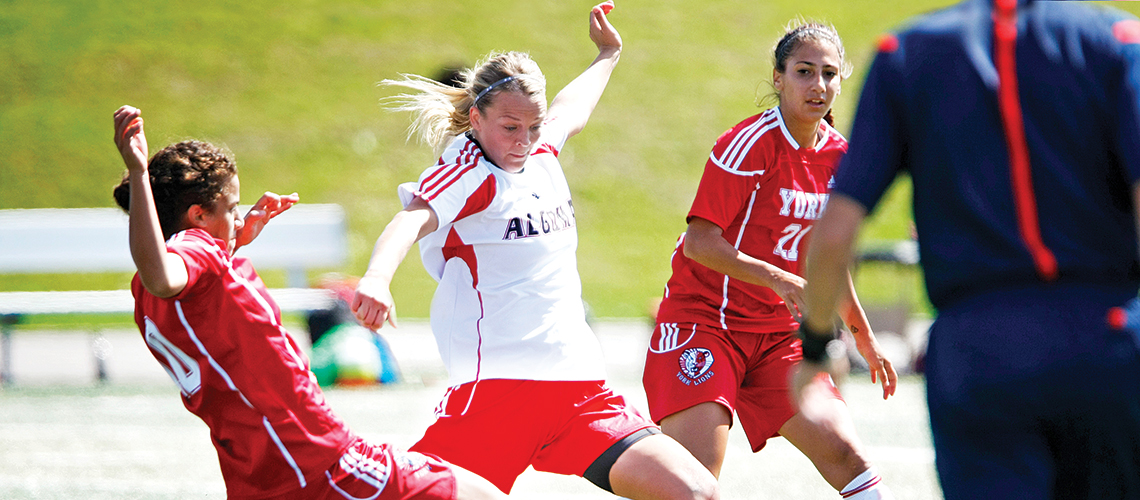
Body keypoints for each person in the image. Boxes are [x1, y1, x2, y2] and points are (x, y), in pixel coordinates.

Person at [351, 3, 719, 499]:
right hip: (498, 394)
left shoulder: (541, 150)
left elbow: (573, 109)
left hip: (580, 391)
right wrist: (375, 279)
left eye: (534, 126)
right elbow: (409, 221)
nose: (523, 140)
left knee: (696, 491)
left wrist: (609, 52)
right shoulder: (470, 173)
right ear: (476, 118)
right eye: (509, 127)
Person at [795, 0, 1140, 498]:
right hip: (1105, 337)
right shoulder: (1119, 39)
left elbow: (833, 231)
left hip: (977, 347)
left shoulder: (905, 52)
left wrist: (815, 347)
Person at [111, 105, 507, 500]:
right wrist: (140, 172)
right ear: (197, 215)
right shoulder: (191, 252)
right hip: (311, 459)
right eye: (231, 209)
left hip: (261, 468)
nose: (239, 217)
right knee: (477, 495)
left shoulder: (156, 291)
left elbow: (199, 313)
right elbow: (165, 275)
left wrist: (233, 239)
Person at [640, 21, 898, 500]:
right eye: (804, 71)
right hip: (706, 326)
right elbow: (700, 243)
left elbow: (829, 257)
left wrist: (864, 337)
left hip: (779, 337)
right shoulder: (748, 145)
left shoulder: (842, 157)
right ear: (778, 78)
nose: (817, 85)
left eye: (828, 74)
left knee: (850, 460)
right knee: (692, 485)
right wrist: (779, 278)